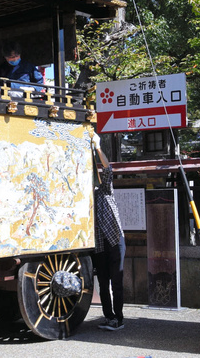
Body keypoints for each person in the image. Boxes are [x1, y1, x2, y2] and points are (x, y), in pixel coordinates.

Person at [91, 132, 125, 331]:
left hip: (115, 239)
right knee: (103, 283)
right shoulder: (86, 199)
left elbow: (107, 168)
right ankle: (109, 317)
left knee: (117, 281)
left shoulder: (104, 189)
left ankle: (119, 318)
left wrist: (97, 147)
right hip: (100, 244)